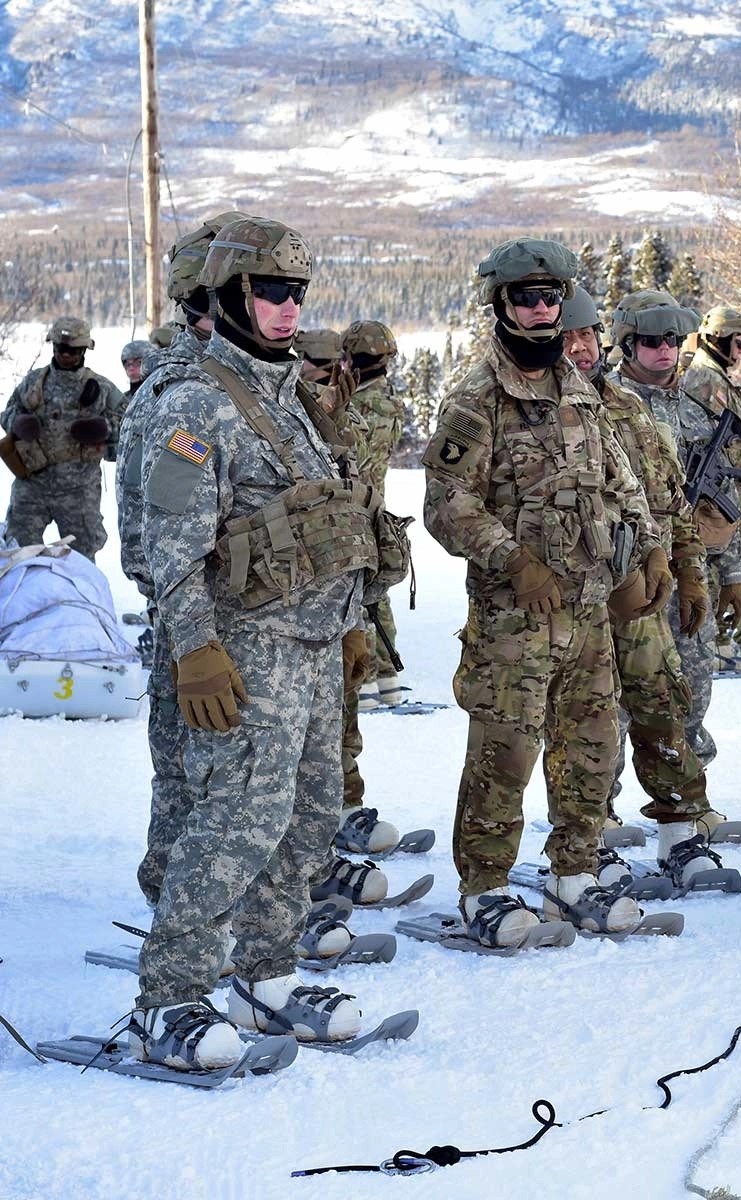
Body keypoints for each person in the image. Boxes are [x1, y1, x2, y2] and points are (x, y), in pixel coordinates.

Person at [130, 215, 392, 1067]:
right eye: (269, 292)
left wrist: (351, 627)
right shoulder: (194, 401)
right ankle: (169, 995)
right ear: (220, 297)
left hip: (312, 649)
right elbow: (171, 543)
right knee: (233, 824)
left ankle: (264, 972)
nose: (287, 309)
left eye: (296, 294)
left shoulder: (293, 395)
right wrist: (195, 647)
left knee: (308, 819)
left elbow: (326, 525)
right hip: (243, 655)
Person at [422, 239, 659, 948]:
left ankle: (574, 874)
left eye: (551, 296)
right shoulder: (477, 398)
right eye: (525, 297)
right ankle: (485, 888)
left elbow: (619, 476)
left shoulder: (578, 387)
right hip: (516, 616)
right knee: (507, 748)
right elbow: (445, 502)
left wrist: (648, 549)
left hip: (588, 605)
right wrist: (510, 557)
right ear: (500, 302)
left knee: (589, 742)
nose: (540, 308)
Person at [563, 286, 720, 866]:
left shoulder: (628, 411)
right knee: (589, 720)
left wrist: (692, 574)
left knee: (664, 707)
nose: (579, 348)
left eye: (586, 336)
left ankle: (681, 828)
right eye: (568, 337)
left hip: (640, 588)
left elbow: (671, 503)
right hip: (570, 596)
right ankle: (588, 833)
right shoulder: (531, 412)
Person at [116, 210, 244, 909]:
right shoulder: (176, 392)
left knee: (232, 777)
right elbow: (149, 533)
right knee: (188, 772)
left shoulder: (234, 379)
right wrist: (186, 614)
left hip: (246, 615)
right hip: (189, 614)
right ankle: (175, 910)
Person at [608, 292, 731, 774]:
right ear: (627, 344)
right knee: (617, 698)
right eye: (652, 341)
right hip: (625, 569)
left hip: (686, 564)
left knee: (695, 686)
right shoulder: (608, 405)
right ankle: (603, 809)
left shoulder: (697, 408)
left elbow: (719, 500)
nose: (665, 349)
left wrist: (734, 570)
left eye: (674, 340)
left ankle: (689, 795)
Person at [682, 305, 741, 670]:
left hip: (725, 487)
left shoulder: (715, 377)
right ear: (717, 339)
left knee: (730, 567)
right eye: (737, 343)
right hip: (719, 489)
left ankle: (725, 638)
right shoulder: (705, 379)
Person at [0, 315, 125, 558]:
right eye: (61, 348)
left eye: (73, 350)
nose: (66, 355)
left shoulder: (101, 388)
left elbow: (132, 426)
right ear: (53, 346)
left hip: (79, 490)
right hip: (32, 484)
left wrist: (105, 428)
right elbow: (7, 412)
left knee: (81, 558)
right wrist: (17, 423)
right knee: (17, 551)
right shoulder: (34, 382)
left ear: (84, 350)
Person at [339, 320, 407, 711]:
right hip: (378, 506)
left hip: (355, 509)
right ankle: (388, 679)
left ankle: (364, 683)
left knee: (360, 597)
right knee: (376, 596)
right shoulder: (390, 401)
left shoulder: (359, 404)